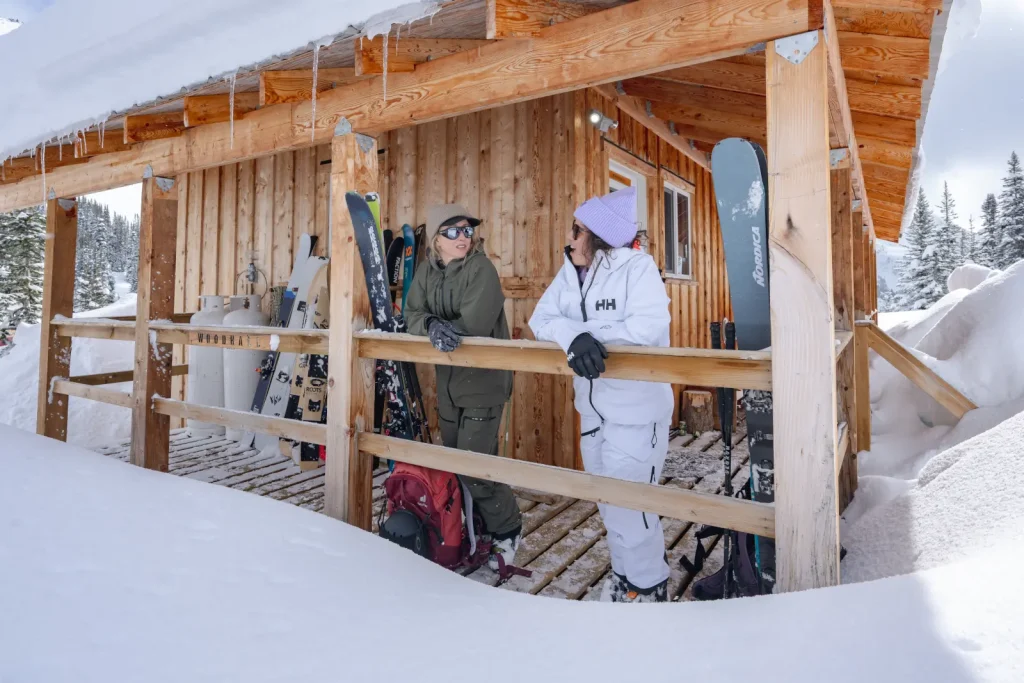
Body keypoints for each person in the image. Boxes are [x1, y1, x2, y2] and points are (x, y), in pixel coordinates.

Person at [529, 186, 674, 603]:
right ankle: (625, 580)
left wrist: (589, 335)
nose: (569, 237)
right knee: (609, 504)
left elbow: (647, 328)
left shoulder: (637, 269)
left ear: (599, 235)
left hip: (636, 413)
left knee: (632, 508)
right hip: (592, 412)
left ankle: (648, 587)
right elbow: (541, 319)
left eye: (577, 230)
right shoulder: (570, 273)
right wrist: (572, 336)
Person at [404, 203, 523, 572]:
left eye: (467, 230)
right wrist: (430, 325)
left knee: (474, 466)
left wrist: (439, 326)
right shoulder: (427, 272)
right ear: (436, 239)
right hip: (449, 384)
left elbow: (473, 324)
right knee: (456, 463)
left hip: (483, 382)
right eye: (453, 231)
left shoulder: (480, 269)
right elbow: (411, 314)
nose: (463, 237)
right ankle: (476, 529)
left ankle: (508, 529)